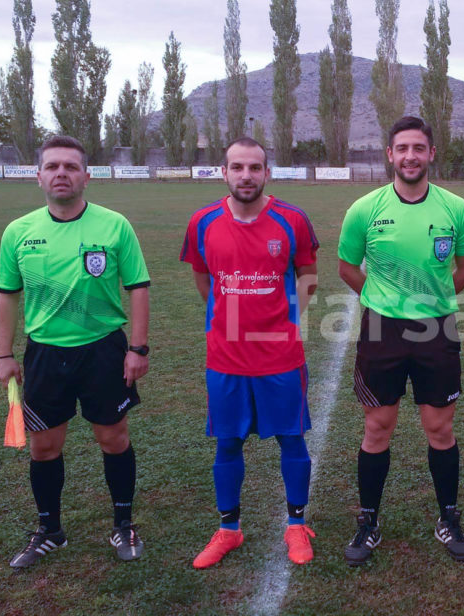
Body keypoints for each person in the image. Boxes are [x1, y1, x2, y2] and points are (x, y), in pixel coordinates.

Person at [0, 135, 150, 568]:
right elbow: (6, 295)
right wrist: (3, 355)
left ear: (86, 175)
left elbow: (138, 287)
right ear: (38, 176)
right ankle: (50, 530)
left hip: (104, 351)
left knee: (113, 438)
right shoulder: (18, 232)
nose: (61, 173)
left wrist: (138, 347)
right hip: (45, 353)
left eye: (70, 166)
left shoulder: (114, 225)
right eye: (52, 166)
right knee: (43, 447)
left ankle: (123, 524)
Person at [337, 116, 464, 565]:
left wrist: (433, 301)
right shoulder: (365, 209)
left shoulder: (456, 208)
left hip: (437, 328)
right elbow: (346, 267)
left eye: (419, 148)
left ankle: (449, 517)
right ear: (390, 154)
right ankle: (368, 522)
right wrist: (382, 301)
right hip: (382, 330)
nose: (411, 156)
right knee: (377, 428)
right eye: (402, 148)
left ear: (431, 153)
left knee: (440, 429)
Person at [181, 137, 319, 568]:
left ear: (266, 173)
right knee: (227, 443)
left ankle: (296, 525)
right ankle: (229, 529)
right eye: (237, 167)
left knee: (291, 438)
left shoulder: (292, 220)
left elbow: (308, 275)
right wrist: (228, 318)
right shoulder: (203, 221)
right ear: (224, 172)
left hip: (280, 356)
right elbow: (203, 279)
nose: (246, 175)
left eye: (254, 168)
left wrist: (287, 320)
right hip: (226, 357)